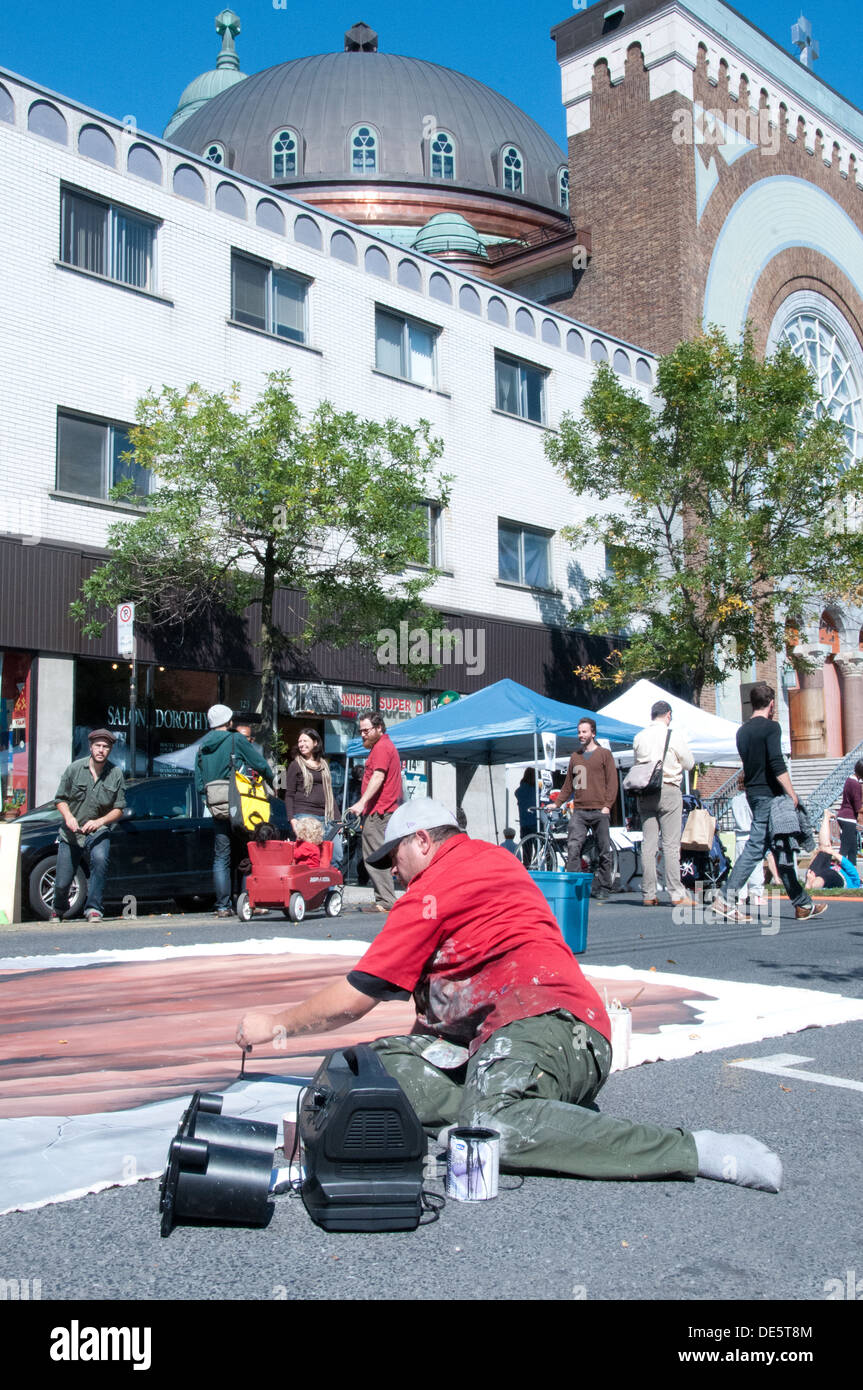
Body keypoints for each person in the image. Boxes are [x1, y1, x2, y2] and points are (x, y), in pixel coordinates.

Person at [237, 798, 782, 1192]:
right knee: (374, 1069)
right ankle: (537, 1109)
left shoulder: (434, 887)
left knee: (490, 1126)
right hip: (546, 1036)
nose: (394, 875)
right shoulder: (496, 860)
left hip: (549, 1026)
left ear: (423, 841)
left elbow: (356, 997)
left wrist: (275, 1025)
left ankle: (694, 1150)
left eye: (395, 858)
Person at [713, 682, 825, 922]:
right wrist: (792, 792)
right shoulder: (772, 728)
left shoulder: (742, 731)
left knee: (781, 848)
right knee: (756, 848)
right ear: (772, 704)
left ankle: (802, 904)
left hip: (753, 794)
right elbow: (776, 762)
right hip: (770, 797)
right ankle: (725, 900)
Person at [195, 704, 274, 919]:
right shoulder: (235, 739)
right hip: (239, 804)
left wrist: (208, 801)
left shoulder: (203, 747)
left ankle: (222, 906)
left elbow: (199, 781)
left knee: (221, 857)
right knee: (247, 855)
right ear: (229, 722)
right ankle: (249, 902)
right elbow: (258, 762)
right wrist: (272, 780)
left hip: (217, 806)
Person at [52, 728, 126, 922]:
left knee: (100, 860)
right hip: (71, 832)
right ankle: (58, 908)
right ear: (90, 747)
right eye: (98, 746)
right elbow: (60, 799)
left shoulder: (116, 773)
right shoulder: (74, 769)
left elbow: (119, 809)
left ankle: (93, 908)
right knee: (62, 882)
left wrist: (100, 821)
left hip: (98, 830)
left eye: (106, 747)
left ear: (110, 750)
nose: (101, 750)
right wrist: (68, 817)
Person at [632, 701, 695, 907]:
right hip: (668, 789)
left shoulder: (639, 737)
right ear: (668, 715)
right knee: (670, 845)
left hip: (644, 791)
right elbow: (689, 763)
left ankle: (648, 893)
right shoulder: (673, 735)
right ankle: (676, 893)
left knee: (648, 844)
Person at [555, 717, 617, 903]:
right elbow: (568, 785)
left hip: (600, 810)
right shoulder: (575, 757)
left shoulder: (604, 754)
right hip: (580, 810)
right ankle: (575, 886)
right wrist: (557, 803)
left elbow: (613, 783)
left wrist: (607, 806)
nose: (580, 735)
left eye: (584, 732)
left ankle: (605, 886)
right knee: (573, 846)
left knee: (603, 850)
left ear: (593, 733)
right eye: (579, 732)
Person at [347, 713, 403, 914]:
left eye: (366, 730)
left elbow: (378, 777)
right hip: (383, 810)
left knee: (374, 855)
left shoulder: (381, 748)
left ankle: (386, 901)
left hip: (379, 811)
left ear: (379, 728)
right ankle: (385, 899)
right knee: (382, 855)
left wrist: (362, 803)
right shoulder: (384, 746)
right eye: (361, 731)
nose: (362, 735)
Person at [282, 727, 342, 870]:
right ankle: (312, 890)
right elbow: (289, 794)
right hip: (304, 816)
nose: (301, 744)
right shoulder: (295, 765)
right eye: (299, 741)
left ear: (315, 742)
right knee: (310, 858)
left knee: (336, 856)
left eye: (305, 741)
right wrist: (292, 820)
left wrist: (338, 819)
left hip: (326, 817)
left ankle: (328, 891)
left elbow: (329, 793)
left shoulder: (324, 765)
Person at [835, 760, 863, 864]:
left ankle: (853, 875)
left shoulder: (849, 780)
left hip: (845, 816)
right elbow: (858, 808)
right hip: (848, 818)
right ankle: (836, 872)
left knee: (853, 849)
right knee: (844, 849)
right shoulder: (855, 784)